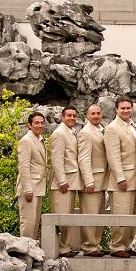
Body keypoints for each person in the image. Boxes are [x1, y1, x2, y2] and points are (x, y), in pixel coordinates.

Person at [104, 96, 136, 258]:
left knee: (132, 215)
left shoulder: (132, 126)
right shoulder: (113, 128)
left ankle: (126, 244)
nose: (126, 111)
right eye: (123, 108)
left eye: (128, 108)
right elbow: (113, 156)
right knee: (121, 214)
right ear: (116, 110)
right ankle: (117, 246)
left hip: (135, 177)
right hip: (123, 179)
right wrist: (120, 177)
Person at [49, 106, 83, 256]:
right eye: (68, 116)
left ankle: (66, 246)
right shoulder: (59, 134)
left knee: (67, 215)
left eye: (74, 116)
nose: (72, 118)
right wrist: (61, 181)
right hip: (63, 183)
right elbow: (56, 160)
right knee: (61, 215)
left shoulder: (71, 132)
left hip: (71, 180)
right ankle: (61, 248)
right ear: (62, 117)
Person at [77, 104, 109, 257]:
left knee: (99, 214)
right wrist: (88, 181)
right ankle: (88, 246)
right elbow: (83, 159)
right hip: (92, 182)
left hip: (102, 180)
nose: (96, 116)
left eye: (98, 113)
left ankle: (96, 243)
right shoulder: (85, 133)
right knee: (90, 214)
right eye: (93, 113)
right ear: (87, 116)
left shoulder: (101, 130)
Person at [16, 111, 48, 240]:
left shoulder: (40, 139)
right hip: (29, 188)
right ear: (29, 125)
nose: (40, 125)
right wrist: (28, 189)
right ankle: (24, 253)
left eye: (42, 123)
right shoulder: (26, 141)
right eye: (36, 123)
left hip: (38, 187)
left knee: (34, 222)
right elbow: (23, 166)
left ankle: (32, 251)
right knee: (28, 223)